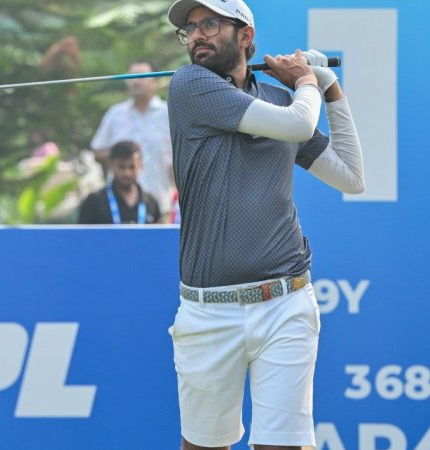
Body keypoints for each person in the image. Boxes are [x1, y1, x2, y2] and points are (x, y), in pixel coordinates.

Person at [165, 1, 365, 449]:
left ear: (245, 36)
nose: (197, 35)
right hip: (208, 310)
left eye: (210, 23)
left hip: (285, 303)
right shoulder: (190, 85)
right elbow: (298, 124)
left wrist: (331, 91)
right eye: (189, 29)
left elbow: (351, 177)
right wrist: (309, 83)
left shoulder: (279, 99)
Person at [90, 59, 175, 218]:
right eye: (131, 77)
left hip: (159, 204)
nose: (135, 81)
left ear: (155, 82)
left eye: (141, 76)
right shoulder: (115, 114)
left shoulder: (169, 114)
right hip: (117, 206)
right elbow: (97, 151)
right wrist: (120, 156)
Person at [78, 140, 162, 224]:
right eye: (121, 167)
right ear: (110, 165)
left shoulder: (151, 202)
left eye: (132, 167)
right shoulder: (94, 202)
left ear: (140, 166)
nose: (127, 173)